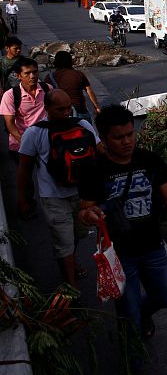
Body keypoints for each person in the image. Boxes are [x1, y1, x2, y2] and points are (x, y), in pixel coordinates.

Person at [77, 105, 167, 343]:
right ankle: (133, 354)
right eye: (118, 137)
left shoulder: (150, 161)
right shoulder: (94, 169)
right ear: (104, 138)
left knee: (165, 298)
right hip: (119, 255)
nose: (126, 141)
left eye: (130, 134)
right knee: (128, 315)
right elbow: (84, 210)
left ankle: (142, 315)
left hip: (153, 247)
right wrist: (89, 215)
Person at [17, 89, 99, 286]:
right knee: (64, 242)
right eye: (60, 109)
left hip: (82, 197)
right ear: (47, 109)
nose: (66, 113)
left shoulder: (83, 125)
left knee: (75, 236)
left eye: (68, 108)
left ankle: (71, 264)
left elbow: (99, 155)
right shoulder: (34, 133)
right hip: (54, 198)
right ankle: (72, 286)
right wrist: (23, 199)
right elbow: (24, 170)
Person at [0, 57, 50, 163]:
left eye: (35, 72)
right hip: (21, 145)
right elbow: (10, 123)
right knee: (25, 176)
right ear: (19, 76)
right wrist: (24, 142)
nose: (32, 76)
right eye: (27, 73)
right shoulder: (10, 96)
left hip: (45, 141)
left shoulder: (47, 89)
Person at [44, 51, 102, 121]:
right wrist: (97, 107)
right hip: (80, 110)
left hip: (60, 113)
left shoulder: (50, 77)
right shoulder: (78, 74)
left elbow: (46, 96)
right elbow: (89, 91)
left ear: (56, 62)